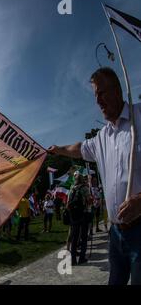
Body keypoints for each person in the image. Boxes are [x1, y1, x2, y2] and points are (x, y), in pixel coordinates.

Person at [48, 67, 141, 285]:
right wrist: (59, 149)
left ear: (117, 90)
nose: (97, 101)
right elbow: (79, 148)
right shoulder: (102, 136)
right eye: (95, 96)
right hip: (116, 233)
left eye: (101, 93)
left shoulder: (139, 118)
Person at [66, 171, 90, 265]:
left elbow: (68, 202)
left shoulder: (72, 188)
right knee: (84, 237)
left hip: (73, 215)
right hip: (83, 213)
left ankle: (73, 260)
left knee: (74, 237)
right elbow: (89, 201)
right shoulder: (85, 188)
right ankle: (82, 258)